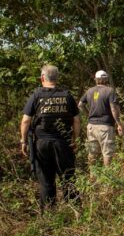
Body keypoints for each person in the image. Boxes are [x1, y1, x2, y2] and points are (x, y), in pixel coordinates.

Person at [20, 65, 81, 212]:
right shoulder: (67, 96)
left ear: (42, 78)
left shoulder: (36, 95)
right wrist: (74, 140)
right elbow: (77, 121)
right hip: (63, 144)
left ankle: (49, 213)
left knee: (46, 181)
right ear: (57, 78)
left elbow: (25, 121)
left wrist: (23, 141)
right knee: (68, 178)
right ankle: (75, 211)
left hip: (42, 144)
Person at [78, 70, 124, 173]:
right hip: (105, 127)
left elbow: (80, 105)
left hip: (91, 127)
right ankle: (108, 181)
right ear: (106, 79)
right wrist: (118, 123)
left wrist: (88, 114)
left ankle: (92, 177)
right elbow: (113, 108)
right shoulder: (110, 91)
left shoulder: (89, 91)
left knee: (92, 153)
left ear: (96, 80)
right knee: (107, 153)